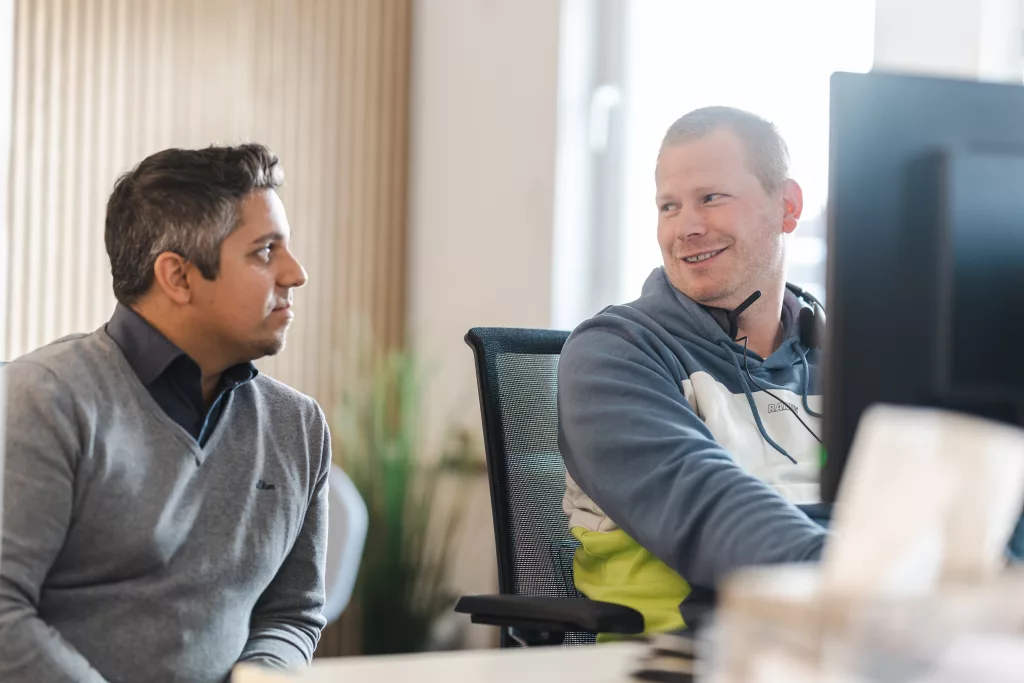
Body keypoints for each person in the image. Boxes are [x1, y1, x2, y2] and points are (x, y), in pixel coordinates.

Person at [0, 144, 329, 683]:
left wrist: (263, 675)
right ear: (177, 277)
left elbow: (292, 612)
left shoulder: (299, 426)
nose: (296, 274)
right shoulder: (43, 398)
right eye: (265, 251)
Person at [558, 107, 827, 635]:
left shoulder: (842, 356)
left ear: (788, 207)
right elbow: (707, 512)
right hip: (687, 653)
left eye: (711, 198)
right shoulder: (613, 354)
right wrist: (866, 582)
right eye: (669, 206)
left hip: (844, 643)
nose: (686, 228)